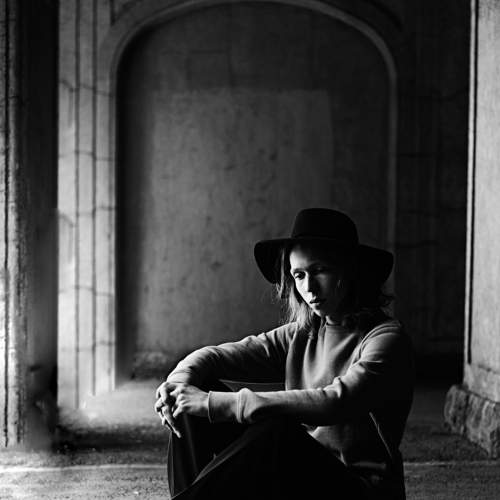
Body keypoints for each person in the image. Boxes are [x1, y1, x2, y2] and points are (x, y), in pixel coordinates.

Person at [155, 208, 414, 500]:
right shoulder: (302, 334)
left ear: (350, 269)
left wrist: (212, 403)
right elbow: (218, 356)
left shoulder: (386, 339)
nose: (309, 287)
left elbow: (336, 401)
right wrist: (178, 384)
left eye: (320, 270)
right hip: (300, 482)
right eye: (299, 275)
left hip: (359, 490)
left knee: (276, 430)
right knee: (193, 397)